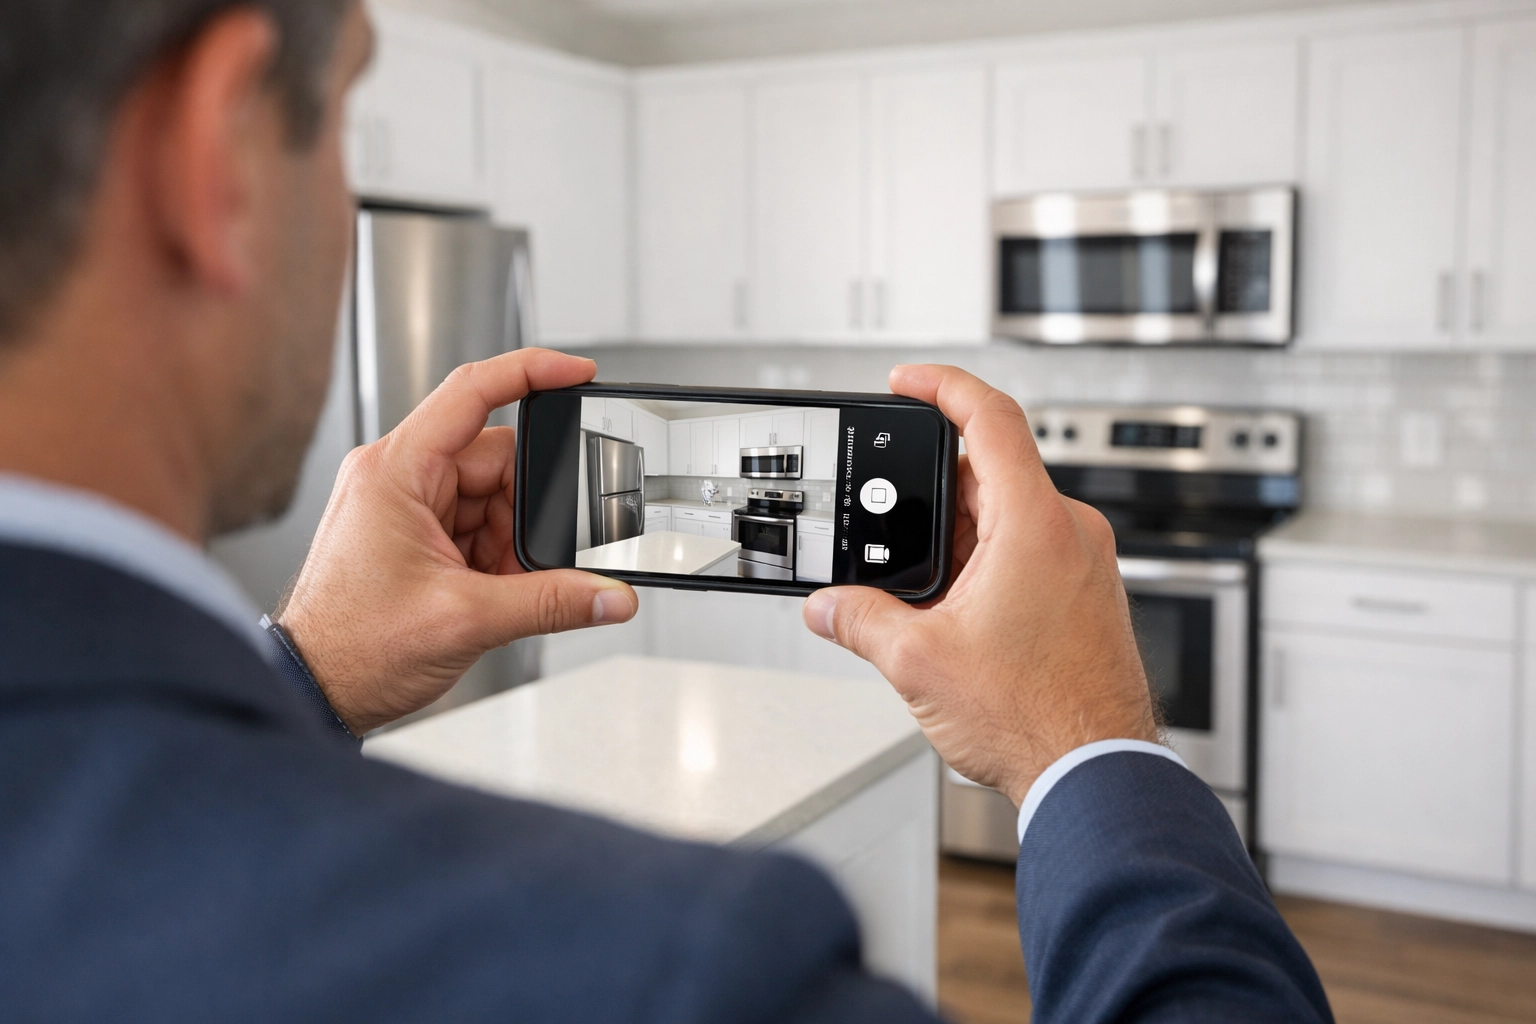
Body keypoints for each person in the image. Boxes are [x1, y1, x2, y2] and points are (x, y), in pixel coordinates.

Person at [0, 1, 1334, 1020]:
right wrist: (1087, 745)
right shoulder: (684, 972)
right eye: (346, 112)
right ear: (221, 153)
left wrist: (307, 673)